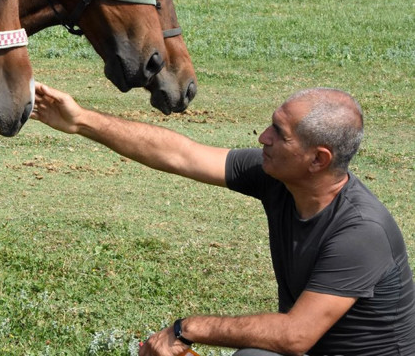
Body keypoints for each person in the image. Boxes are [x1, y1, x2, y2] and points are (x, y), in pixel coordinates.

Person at [30, 82, 415, 356]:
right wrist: (81, 121)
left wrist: (189, 328)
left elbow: (295, 335)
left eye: (279, 133)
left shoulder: (360, 232)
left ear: (318, 159)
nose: (263, 137)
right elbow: (182, 154)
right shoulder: (278, 177)